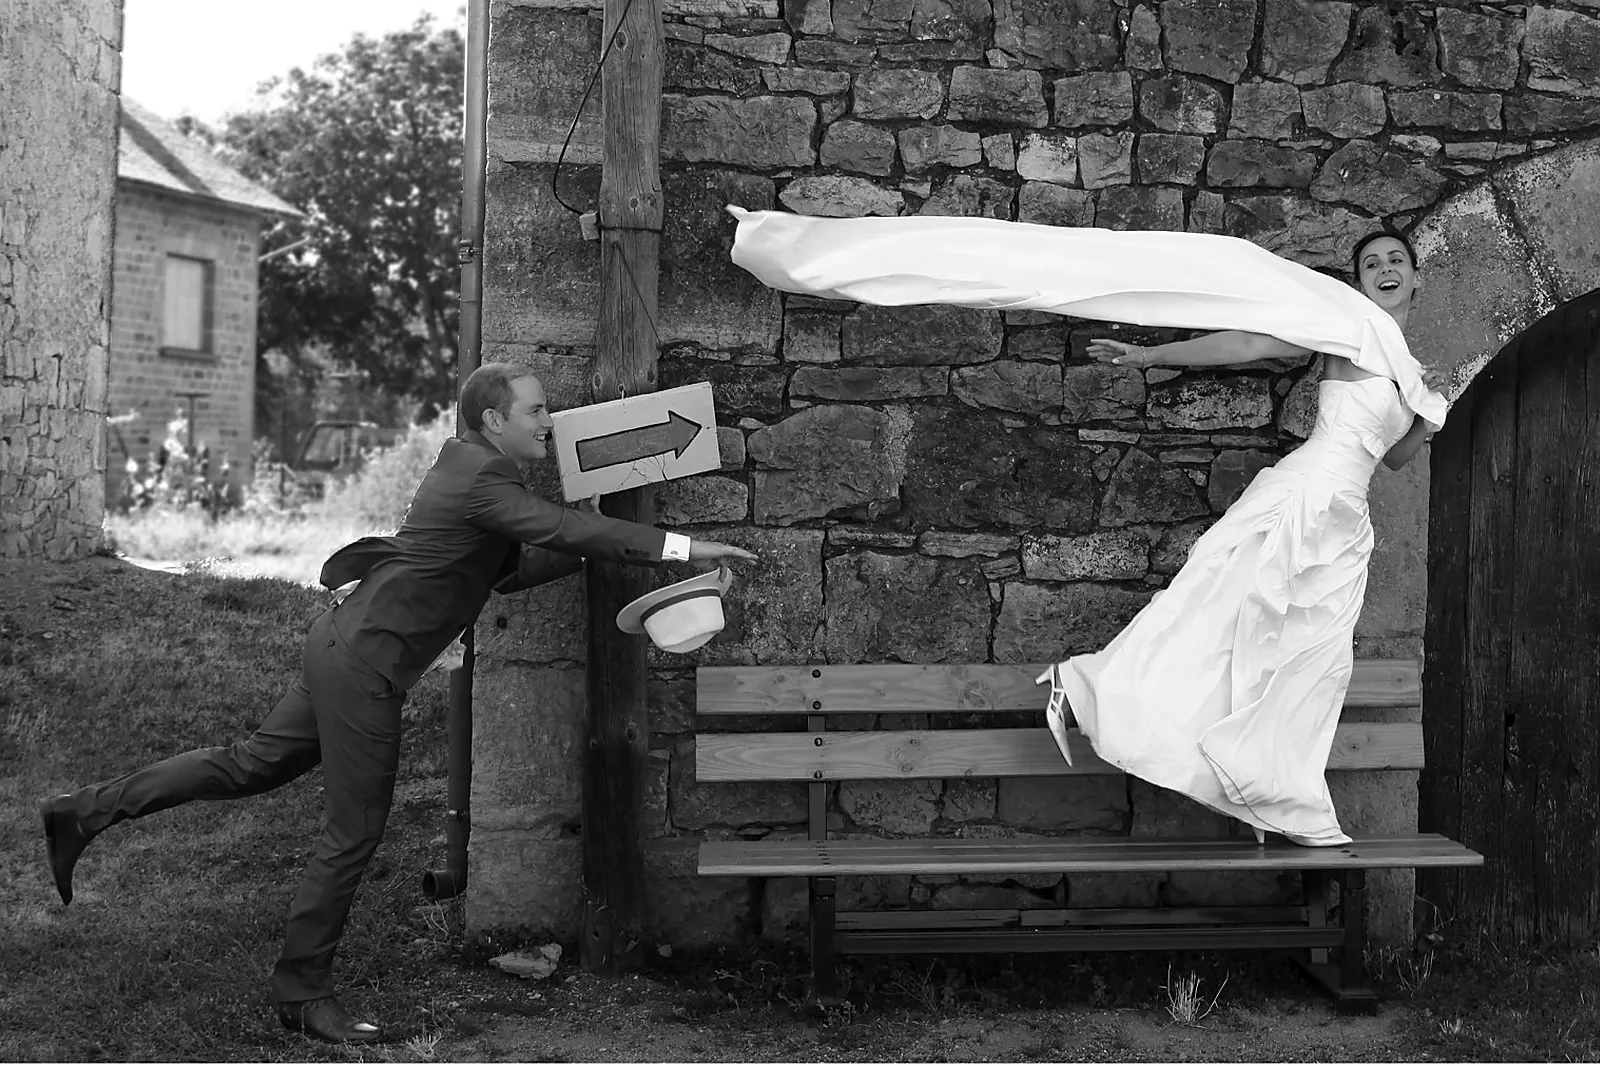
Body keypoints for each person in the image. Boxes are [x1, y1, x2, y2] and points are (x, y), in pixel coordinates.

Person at [37, 363, 758, 1044]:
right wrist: (682, 547)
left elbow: (512, 565)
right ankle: (302, 991)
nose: (550, 420)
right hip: (364, 666)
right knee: (353, 833)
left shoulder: (471, 469)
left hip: (343, 644)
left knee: (249, 766)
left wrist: (596, 536)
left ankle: (84, 811)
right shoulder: (483, 476)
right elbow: (562, 530)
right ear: (492, 417)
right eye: (536, 410)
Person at [1039, 229, 1445, 846]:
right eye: (1370, 263)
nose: (1384, 270)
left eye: (1396, 261)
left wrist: (1430, 417)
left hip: (1345, 523)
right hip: (1305, 497)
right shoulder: (1346, 322)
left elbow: (1394, 460)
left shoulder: (1408, 365)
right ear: (1357, 280)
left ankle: (1263, 787)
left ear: (1416, 277)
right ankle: (1088, 685)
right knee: (1216, 616)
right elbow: (1253, 341)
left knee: (1306, 662)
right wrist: (1152, 357)